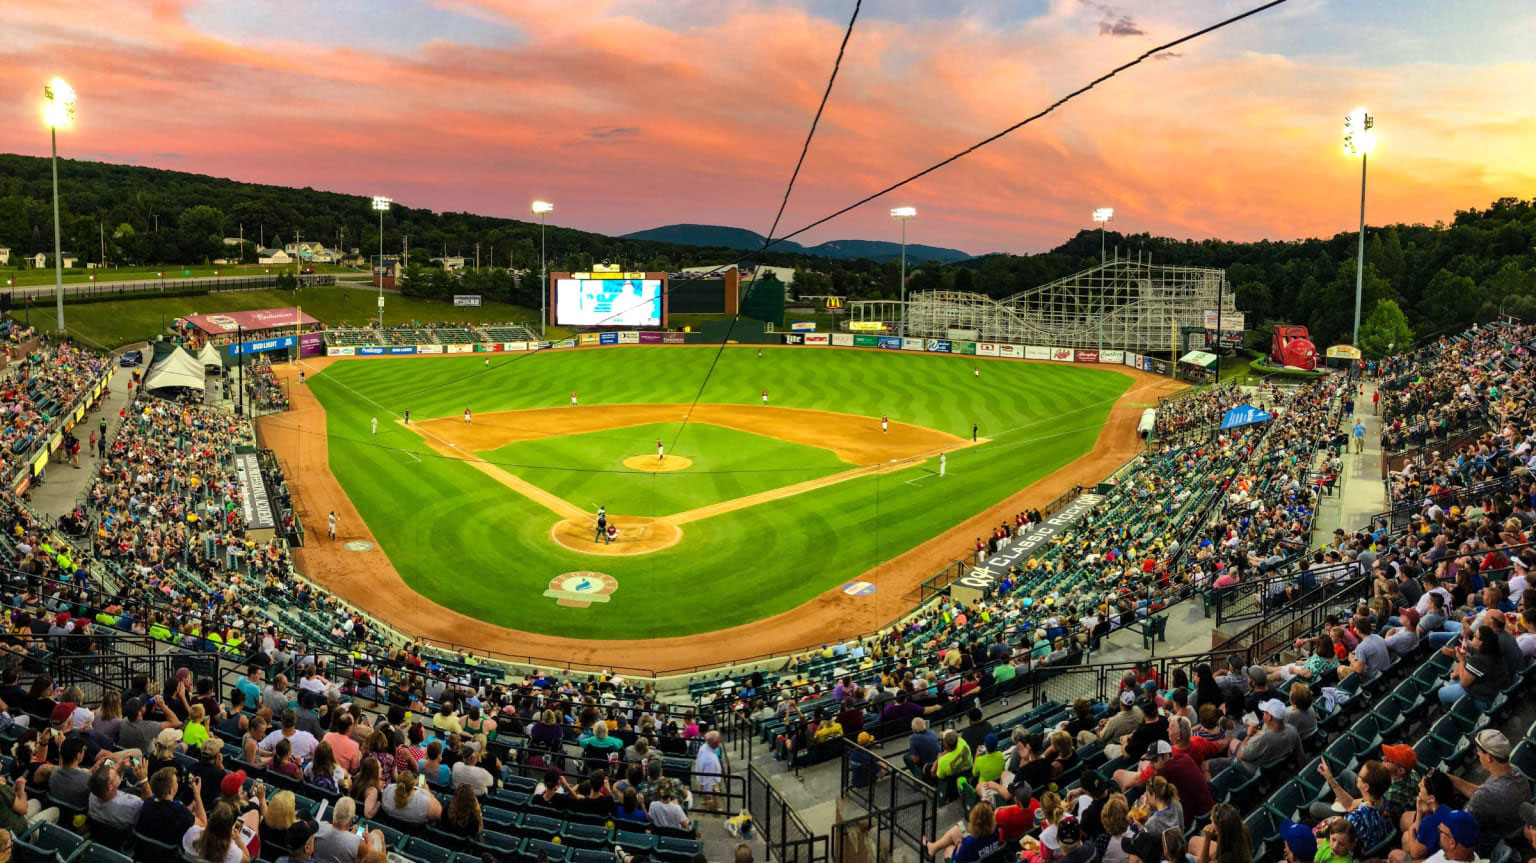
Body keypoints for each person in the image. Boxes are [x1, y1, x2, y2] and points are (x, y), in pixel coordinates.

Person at [1446, 730, 1530, 852]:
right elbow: (1482, 793)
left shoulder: (1486, 795)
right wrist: (1454, 781)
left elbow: (1460, 824)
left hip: (1499, 840)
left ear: (1489, 757)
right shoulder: (1515, 771)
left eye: (1479, 752)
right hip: (1519, 825)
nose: (1478, 755)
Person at [1438, 626, 1509, 710]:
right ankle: (1456, 708)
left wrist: (1461, 660)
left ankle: (1451, 712)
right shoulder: (1493, 650)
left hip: (1482, 699)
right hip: (1492, 689)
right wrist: (1458, 670)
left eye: (1475, 636)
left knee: (1441, 692)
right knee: (1453, 680)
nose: (1472, 638)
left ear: (1482, 642)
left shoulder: (1479, 659)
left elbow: (1464, 682)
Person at [138, 767, 205, 847]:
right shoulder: (179, 811)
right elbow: (203, 825)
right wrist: (197, 794)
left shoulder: (147, 803)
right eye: (176, 782)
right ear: (171, 790)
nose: (178, 783)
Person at [922, 801, 1003, 862]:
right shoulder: (996, 832)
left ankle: (932, 849)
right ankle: (932, 848)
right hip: (984, 856)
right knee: (955, 830)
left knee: (948, 849)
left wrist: (958, 846)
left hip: (969, 855)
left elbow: (956, 861)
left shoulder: (968, 843)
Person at [312, 797, 384, 863]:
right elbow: (372, 860)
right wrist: (368, 839)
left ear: (334, 812)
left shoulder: (317, 828)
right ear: (352, 819)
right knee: (378, 833)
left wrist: (351, 835)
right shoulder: (359, 844)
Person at [183, 802, 251, 863]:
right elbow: (247, 859)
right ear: (229, 828)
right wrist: (238, 839)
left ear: (210, 819)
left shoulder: (192, 832)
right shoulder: (232, 852)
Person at [693, 731, 725, 811]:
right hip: (711, 785)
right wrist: (709, 796)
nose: (720, 742)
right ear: (715, 743)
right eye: (718, 741)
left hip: (702, 780)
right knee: (715, 806)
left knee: (707, 801)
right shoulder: (710, 760)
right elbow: (708, 779)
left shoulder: (704, 746)